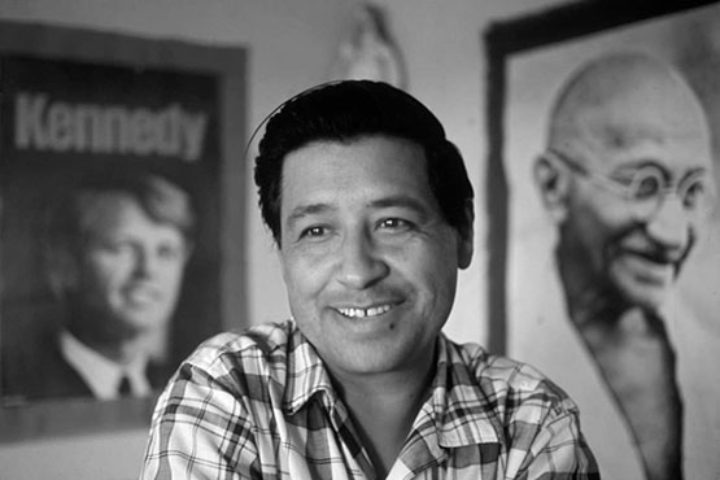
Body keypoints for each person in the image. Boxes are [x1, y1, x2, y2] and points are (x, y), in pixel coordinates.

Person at [141, 80, 598, 479]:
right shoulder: (226, 390)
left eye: (393, 223)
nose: (358, 272)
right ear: (282, 253)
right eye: (317, 231)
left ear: (463, 233)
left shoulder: (529, 419)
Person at [513, 53, 720, 479]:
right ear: (554, 186)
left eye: (692, 192)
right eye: (644, 185)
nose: (673, 236)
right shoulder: (503, 363)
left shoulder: (710, 347)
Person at [3, 169, 195, 401]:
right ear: (66, 263)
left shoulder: (187, 386)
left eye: (166, 252)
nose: (148, 270)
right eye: (123, 247)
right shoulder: (17, 386)